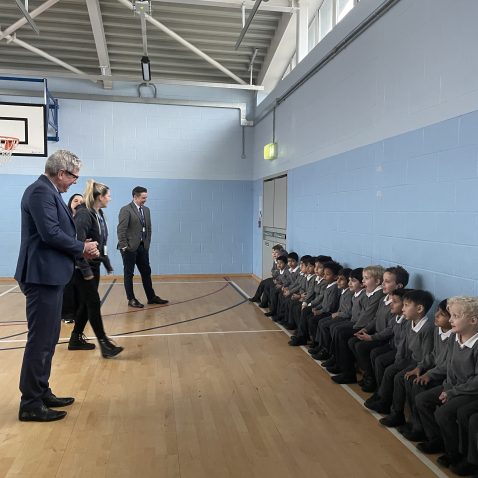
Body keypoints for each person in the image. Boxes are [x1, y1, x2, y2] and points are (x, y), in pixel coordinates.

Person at [15, 150, 99, 422]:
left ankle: (41, 391)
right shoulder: (40, 192)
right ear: (61, 173)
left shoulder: (49, 192)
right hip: (41, 276)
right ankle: (30, 403)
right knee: (40, 341)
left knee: (48, 339)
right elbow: (50, 234)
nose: (75, 182)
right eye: (74, 176)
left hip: (49, 276)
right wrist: (82, 248)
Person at [415, 297, 478, 469]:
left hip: (470, 392)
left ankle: (457, 454)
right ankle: (438, 440)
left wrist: (452, 392)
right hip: (453, 387)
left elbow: (476, 381)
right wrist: (448, 388)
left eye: (455, 316)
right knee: (422, 399)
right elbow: (449, 367)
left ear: (473, 320)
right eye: (450, 315)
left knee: (444, 413)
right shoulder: (454, 337)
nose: (450, 320)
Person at [68, 180, 123, 358]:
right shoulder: (84, 214)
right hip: (82, 268)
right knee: (92, 302)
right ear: (99, 197)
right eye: (108, 195)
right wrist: (85, 271)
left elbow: (99, 243)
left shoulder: (97, 214)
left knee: (86, 303)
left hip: (94, 266)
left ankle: (75, 339)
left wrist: (105, 262)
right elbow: (77, 244)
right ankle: (104, 344)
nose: (110, 198)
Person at [117, 186, 168, 308]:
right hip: (129, 248)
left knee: (146, 272)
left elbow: (148, 229)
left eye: (146, 197)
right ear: (135, 197)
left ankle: (151, 297)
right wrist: (124, 246)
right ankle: (131, 299)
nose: (145, 200)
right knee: (129, 273)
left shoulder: (146, 210)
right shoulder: (126, 210)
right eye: (143, 198)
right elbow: (121, 229)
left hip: (142, 247)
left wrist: (147, 244)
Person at [61, 193, 84, 324]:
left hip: (81, 258)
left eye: (81, 201)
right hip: (67, 258)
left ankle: (78, 313)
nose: (78, 203)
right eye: (75, 200)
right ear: (70, 203)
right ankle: (67, 314)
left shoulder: (84, 218)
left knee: (79, 288)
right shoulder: (64, 218)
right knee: (67, 288)